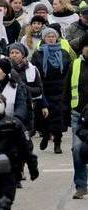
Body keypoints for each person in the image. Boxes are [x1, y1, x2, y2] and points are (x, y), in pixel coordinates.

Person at [31, 27, 72, 154]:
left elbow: (68, 71)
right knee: (45, 116)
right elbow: (35, 73)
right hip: (45, 89)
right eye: (48, 36)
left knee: (58, 117)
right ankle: (46, 133)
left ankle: (57, 143)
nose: (51, 38)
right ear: (44, 38)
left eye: (53, 36)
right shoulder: (38, 54)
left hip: (60, 89)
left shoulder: (64, 53)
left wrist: (65, 87)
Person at [63, 34, 88, 199]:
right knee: (77, 149)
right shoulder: (76, 64)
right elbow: (66, 90)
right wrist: (64, 114)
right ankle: (81, 185)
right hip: (79, 115)